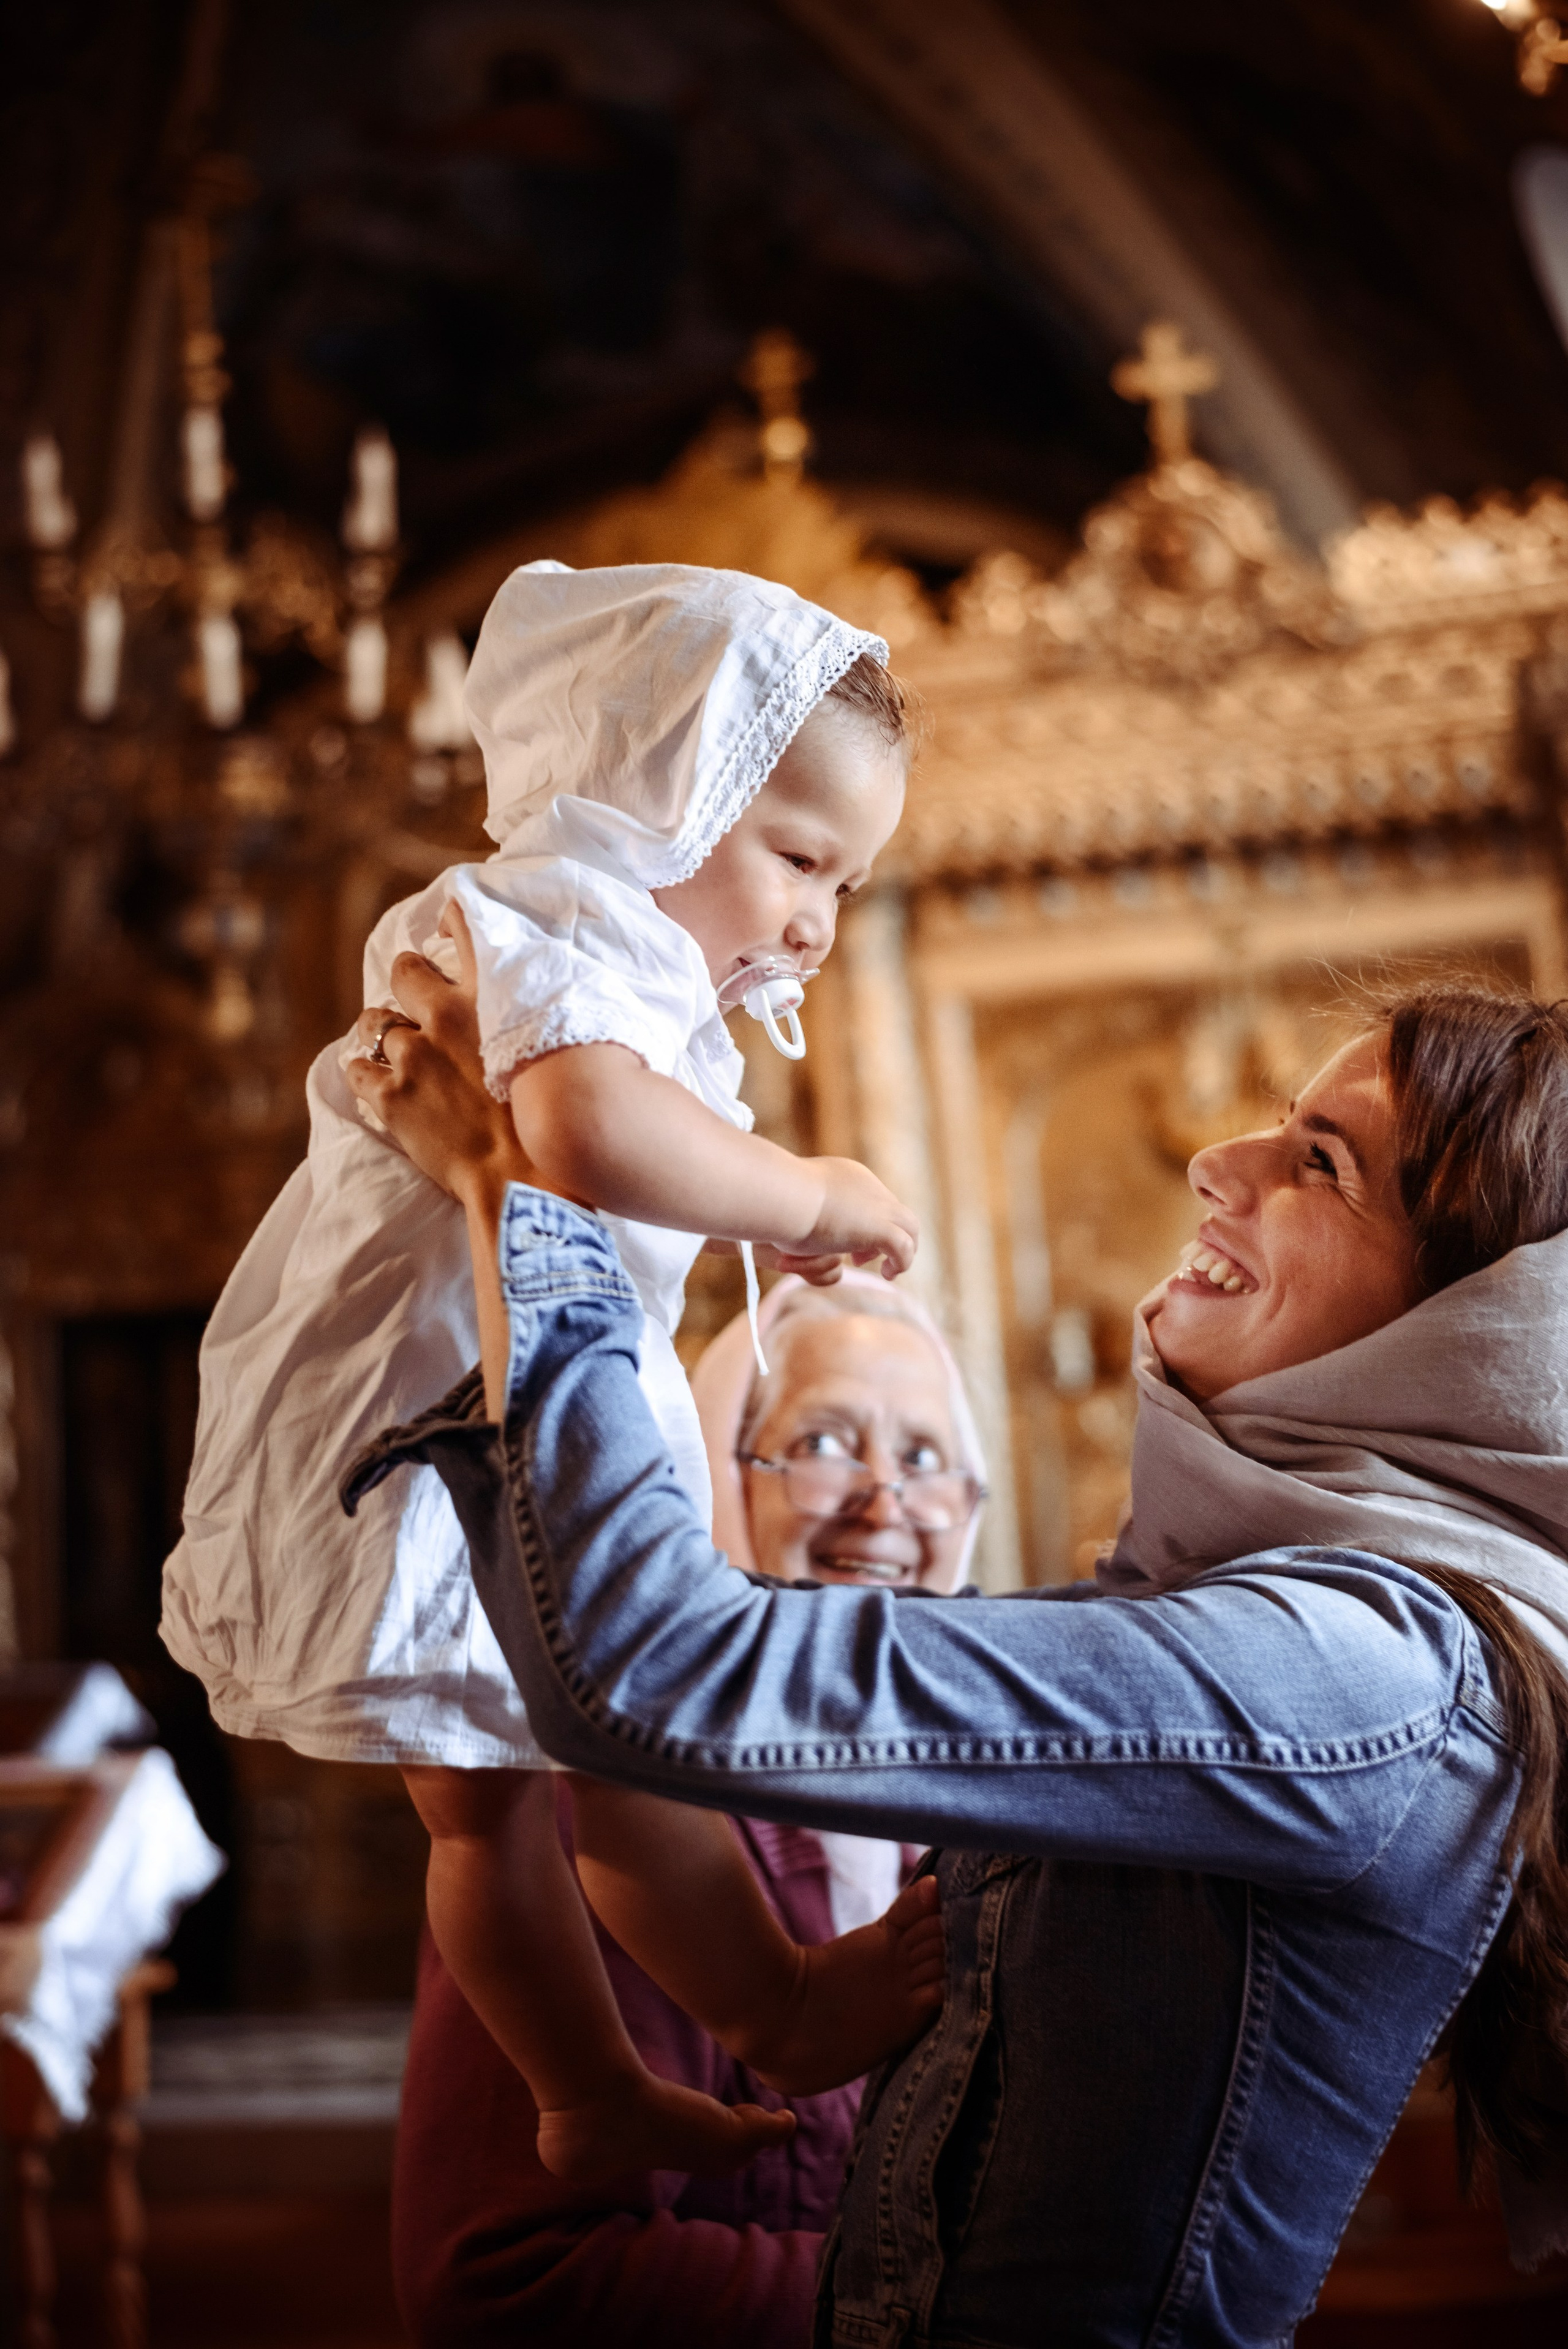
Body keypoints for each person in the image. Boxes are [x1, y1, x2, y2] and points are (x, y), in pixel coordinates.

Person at [345, 962, 1568, 2346]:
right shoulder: (1285, 1621)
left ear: (1466, 1325)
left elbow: (657, 1666)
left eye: (1318, 1163)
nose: (1216, 1163)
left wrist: (528, 1194)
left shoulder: (1364, 1668)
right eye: (818, 1444)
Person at [162, 561, 943, 2185]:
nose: (815, 920)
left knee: (511, 1802)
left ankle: (588, 2086)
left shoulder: (628, 972)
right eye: (798, 856)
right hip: (454, 1415)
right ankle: (774, 2006)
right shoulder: (548, 921)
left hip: (481, 1412)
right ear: (659, 790)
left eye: (847, 882)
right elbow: (580, 1133)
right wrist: (807, 1193)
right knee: (597, 1755)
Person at [391, 1272, 985, 2348]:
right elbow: (507, 2279)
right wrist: (953, 2312)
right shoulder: (602, 1829)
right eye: (826, 1443)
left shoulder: (985, 1815)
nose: (887, 1504)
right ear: (717, 1478)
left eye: (927, 1459)